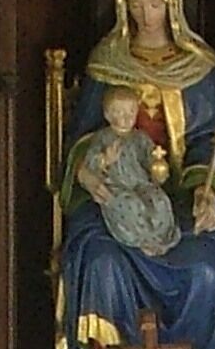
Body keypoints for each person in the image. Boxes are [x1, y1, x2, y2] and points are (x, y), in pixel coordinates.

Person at [55, 0, 215, 349]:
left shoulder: (199, 67)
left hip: (176, 204)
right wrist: (89, 175)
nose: (146, 15)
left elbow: (210, 143)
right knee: (100, 261)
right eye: (136, 6)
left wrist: (206, 194)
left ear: (172, 4)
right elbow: (80, 141)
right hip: (113, 203)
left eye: (154, 5)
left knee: (205, 269)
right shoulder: (107, 63)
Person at [73, 85, 179, 258]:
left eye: (131, 112)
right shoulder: (103, 137)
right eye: (120, 112)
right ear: (108, 115)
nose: (126, 117)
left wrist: (156, 165)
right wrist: (105, 159)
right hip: (116, 185)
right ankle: (141, 240)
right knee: (131, 205)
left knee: (159, 200)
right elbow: (90, 161)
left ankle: (160, 238)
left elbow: (150, 156)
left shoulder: (140, 137)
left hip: (141, 182)